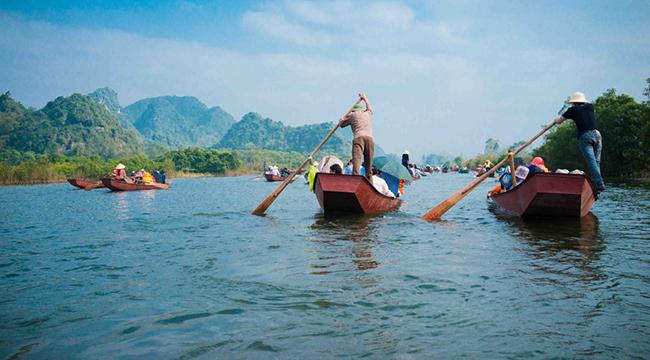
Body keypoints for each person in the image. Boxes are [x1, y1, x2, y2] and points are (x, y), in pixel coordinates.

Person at [554, 91, 605, 193]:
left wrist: (556, 120)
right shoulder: (590, 107)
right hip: (597, 134)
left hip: (585, 136)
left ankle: (599, 185)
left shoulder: (572, 110)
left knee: (591, 162)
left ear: (573, 102)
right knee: (596, 162)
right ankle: (597, 185)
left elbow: (559, 121)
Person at [339, 93, 374, 183]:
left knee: (357, 162)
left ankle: (355, 182)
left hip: (358, 138)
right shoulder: (367, 113)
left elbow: (341, 125)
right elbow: (369, 107)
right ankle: (370, 183)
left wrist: (341, 119)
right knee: (368, 165)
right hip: (369, 138)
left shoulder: (352, 115)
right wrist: (365, 98)